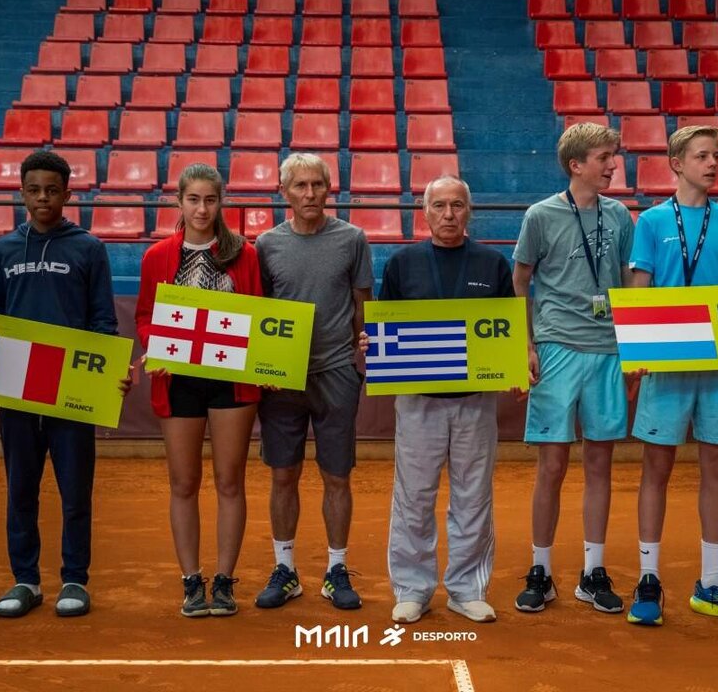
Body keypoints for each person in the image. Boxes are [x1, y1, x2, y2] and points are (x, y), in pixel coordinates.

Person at [0, 150, 127, 618]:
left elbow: (102, 320)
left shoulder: (89, 248)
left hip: (71, 391)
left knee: (75, 492)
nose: (43, 198)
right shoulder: (2, 250)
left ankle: (74, 578)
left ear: (67, 195)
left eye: (52, 190)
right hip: (16, 390)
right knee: (21, 489)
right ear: (21, 193)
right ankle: (27, 580)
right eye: (34, 189)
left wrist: (105, 378)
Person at [626, 126, 718, 627]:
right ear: (676, 163)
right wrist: (636, 352)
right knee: (656, 467)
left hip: (717, 363)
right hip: (665, 362)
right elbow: (639, 288)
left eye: (716, 156)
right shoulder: (651, 221)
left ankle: (712, 582)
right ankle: (648, 580)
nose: (712, 164)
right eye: (702, 156)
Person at [512, 123, 635, 615]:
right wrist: (525, 344)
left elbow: (628, 284)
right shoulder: (540, 215)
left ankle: (592, 571)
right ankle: (540, 570)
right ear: (576, 164)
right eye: (604, 157)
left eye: (613, 156)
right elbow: (520, 280)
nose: (612, 165)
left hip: (608, 351)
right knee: (552, 466)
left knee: (600, 465)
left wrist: (634, 351)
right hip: (556, 348)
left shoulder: (619, 214)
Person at [379, 176, 513, 624]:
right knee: (413, 496)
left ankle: (466, 589)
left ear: (469, 211)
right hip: (418, 401)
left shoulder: (493, 263)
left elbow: (506, 330)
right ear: (425, 212)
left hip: (475, 401)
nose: (449, 214)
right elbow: (385, 327)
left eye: (457, 205)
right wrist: (374, 344)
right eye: (439, 206)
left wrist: (515, 361)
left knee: (473, 496)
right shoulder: (402, 263)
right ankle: (412, 588)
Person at [135, 164, 261, 617]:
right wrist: (155, 344)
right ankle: (191, 581)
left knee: (229, 480)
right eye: (193, 200)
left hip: (231, 381)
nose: (202, 209)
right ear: (179, 202)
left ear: (220, 202)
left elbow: (257, 313)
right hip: (178, 382)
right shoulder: (157, 256)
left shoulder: (244, 253)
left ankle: (224, 581)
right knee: (184, 482)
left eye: (210, 200)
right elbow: (145, 315)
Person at [253, 152, 374, 611]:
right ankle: (284, 569)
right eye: (300, 186)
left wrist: (365, 358)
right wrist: (265, 367)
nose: (309, 194)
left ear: (329, 189)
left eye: (317, 185)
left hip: (337, 372)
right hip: (281, 379)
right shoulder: (266, 244)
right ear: (283, 192)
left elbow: (363, 304)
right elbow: (261, 311)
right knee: (283, 474)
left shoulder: (353, 239)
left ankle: (336, 569)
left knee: (336, 476)